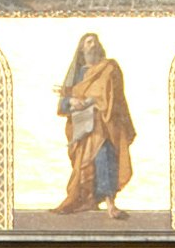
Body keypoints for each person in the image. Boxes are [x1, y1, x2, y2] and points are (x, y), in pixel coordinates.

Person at [53, 31, 136, 216]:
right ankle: (88, 199)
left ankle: (110, 204)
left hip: (104, 123)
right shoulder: (78, 74)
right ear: (82, 50)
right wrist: (72, 101)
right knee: (85, 165)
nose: (93, 45)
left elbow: (113, 95)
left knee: (104, 156)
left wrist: (90, 101)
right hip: (82, 127)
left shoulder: (109, 68)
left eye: (95, 42)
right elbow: (63, 104)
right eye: (89, 42)